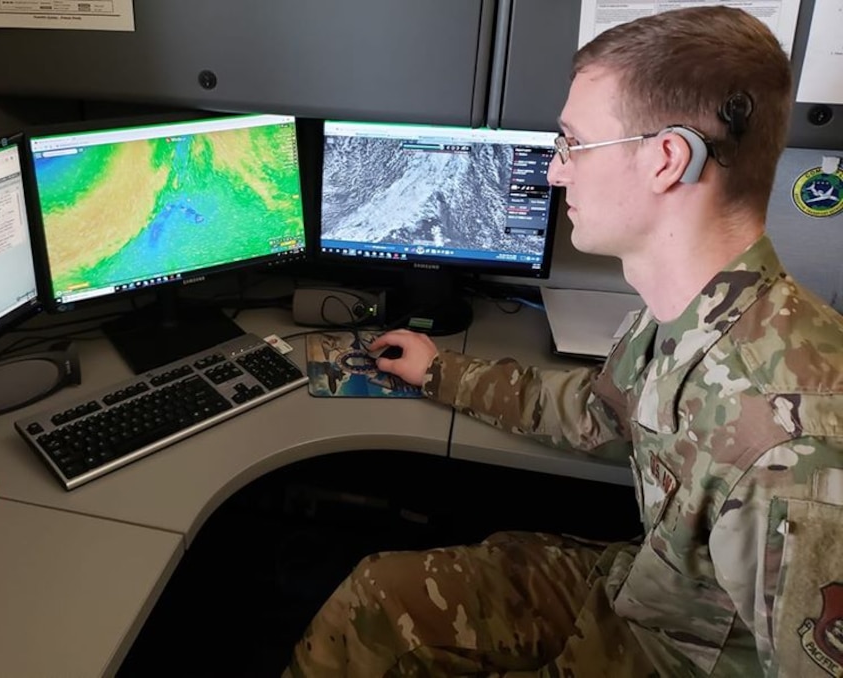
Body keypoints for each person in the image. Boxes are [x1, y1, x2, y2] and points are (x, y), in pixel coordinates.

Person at [284, 6, 843, 677]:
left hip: (674, 657)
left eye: (573, 143)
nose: (554, 172)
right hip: (640, 598)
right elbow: (601, 414)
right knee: (374, 598)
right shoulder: (688, 311)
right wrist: (441, 372)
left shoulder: (797, 447)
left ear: (667, 159)